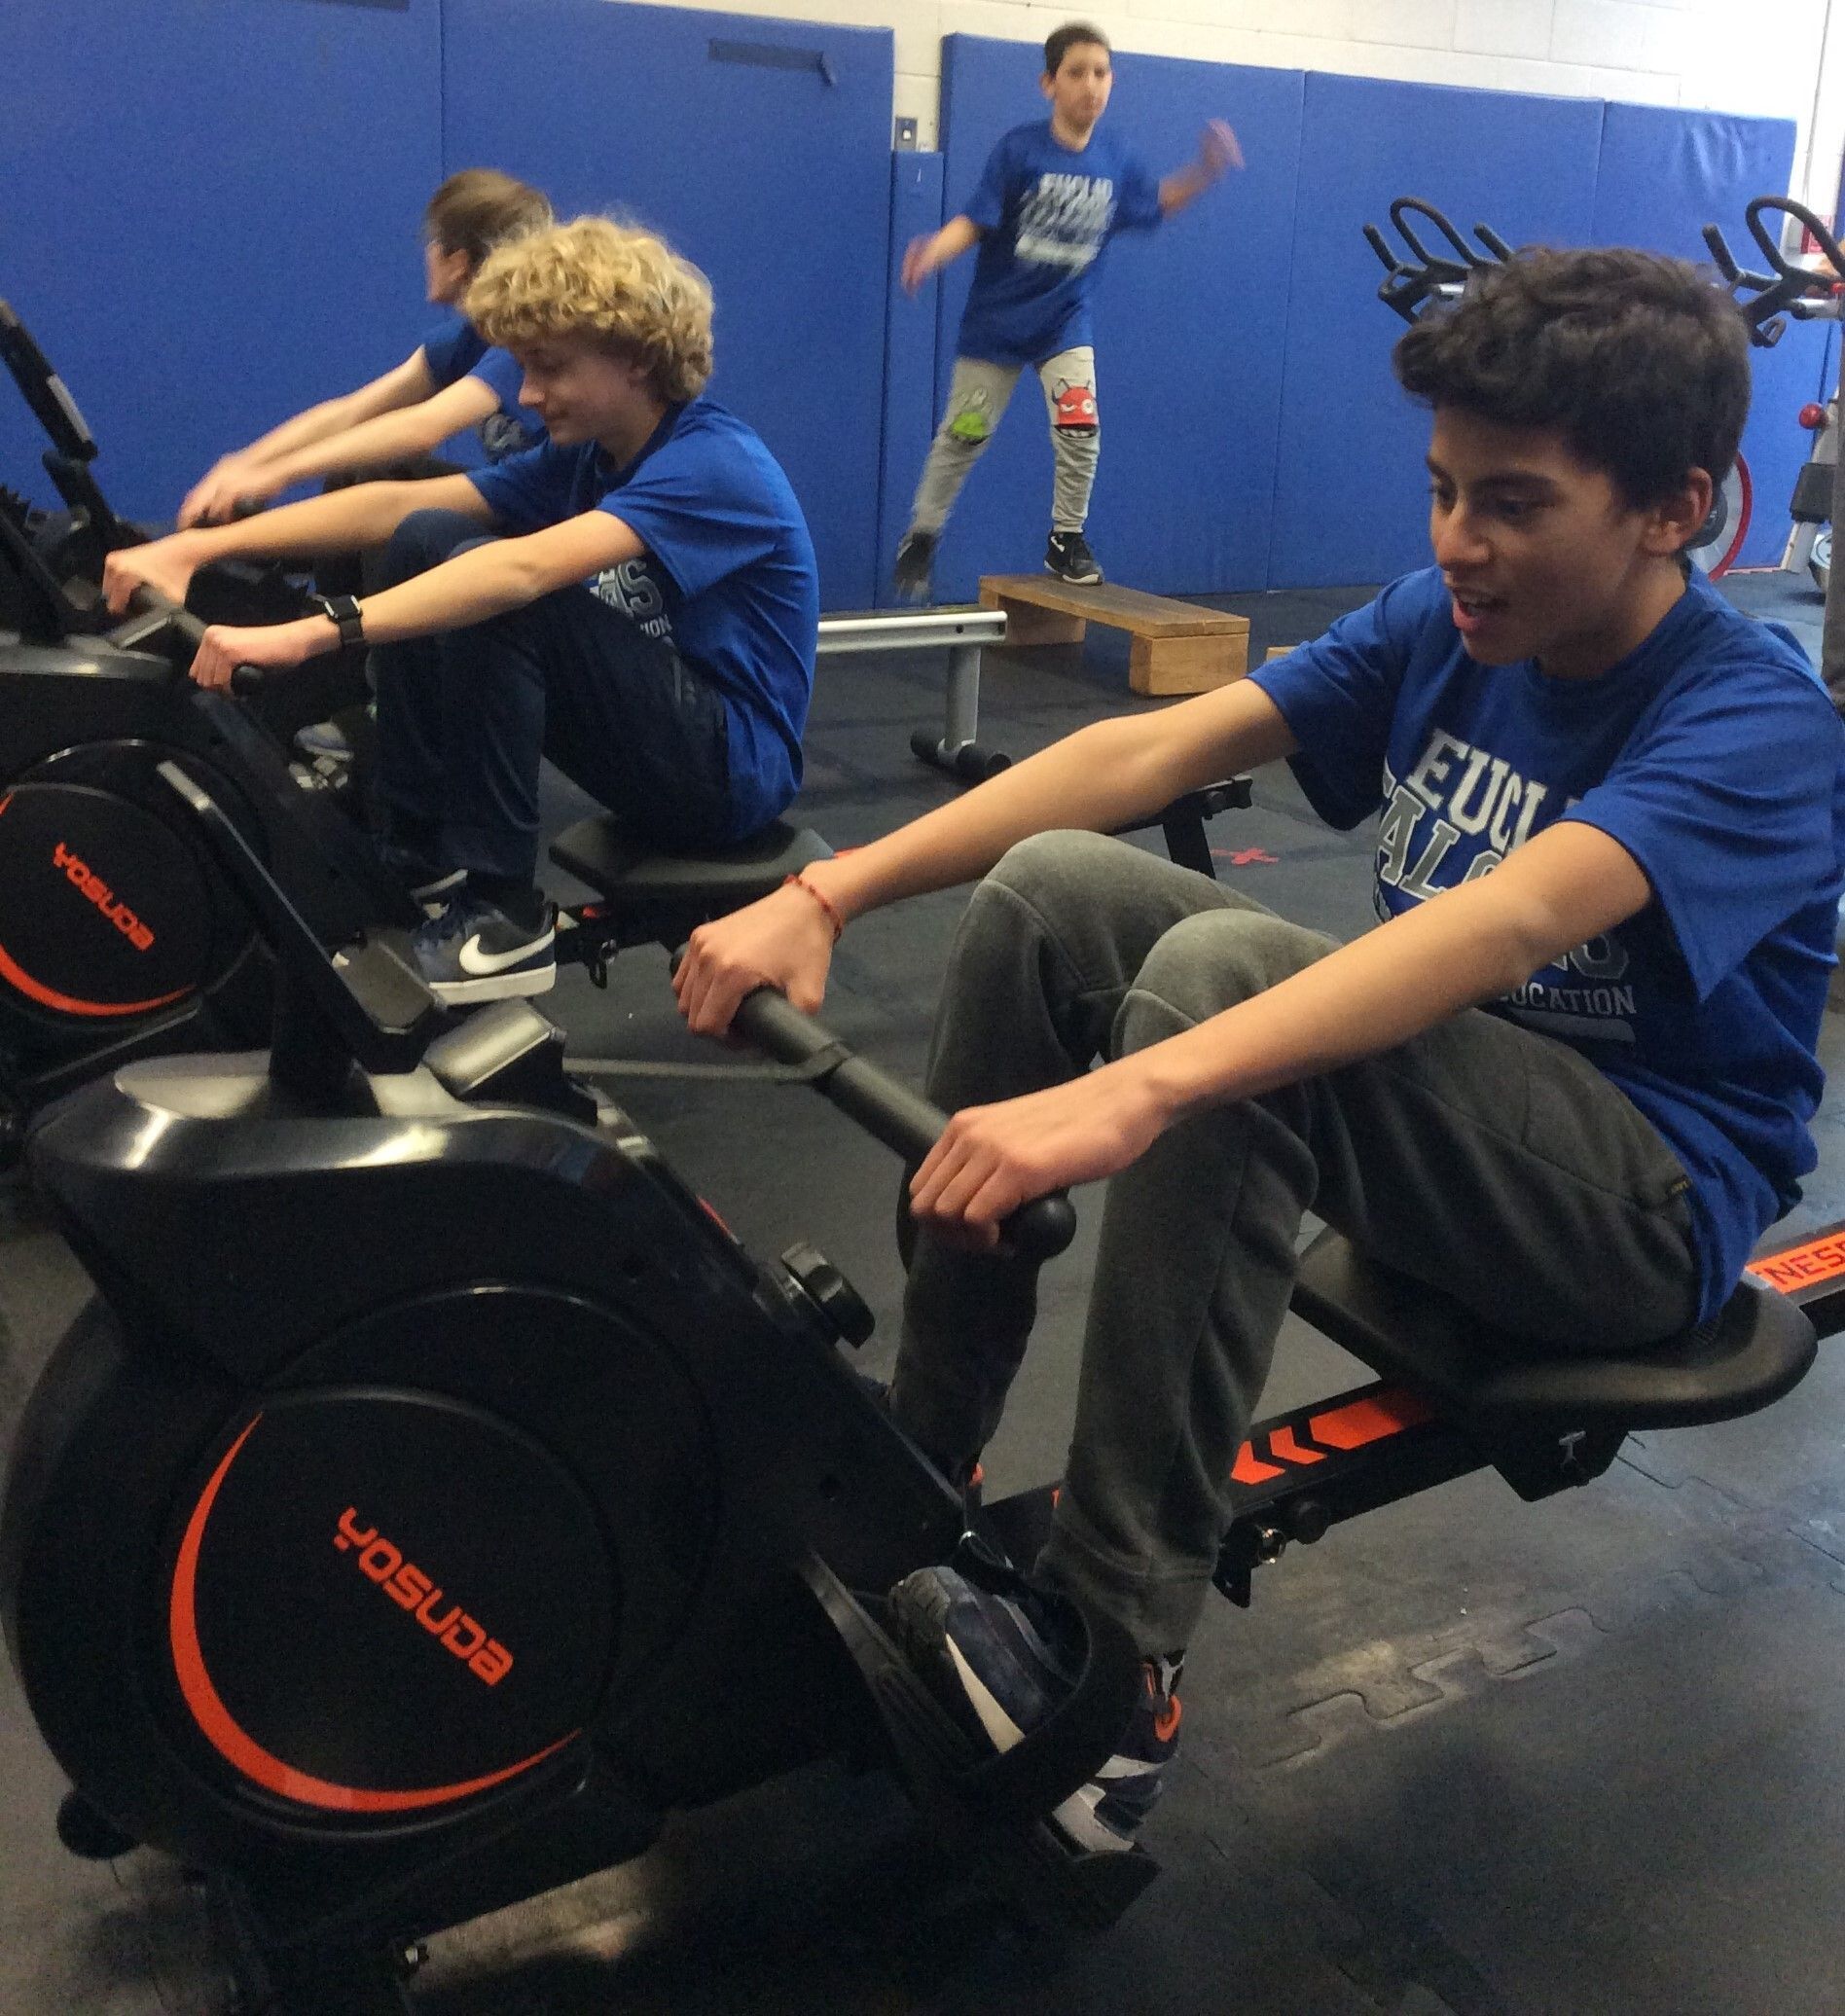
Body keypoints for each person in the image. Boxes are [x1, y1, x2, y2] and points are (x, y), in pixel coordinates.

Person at [673, 246, 1845, 1856]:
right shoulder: (1449, 619)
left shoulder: (1752, 712)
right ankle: (914, 1453)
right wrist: (827, 887)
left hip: (1638, 1213)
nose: (1458, 543)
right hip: (1457, 1127)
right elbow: (1149, 745)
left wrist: (1132, 1085)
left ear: (1675, 508)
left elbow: (1506, 927)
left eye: (1510, 501)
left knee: (1227, 975)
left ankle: (1108, 1674)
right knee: (1053, 891)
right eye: (1440, 490)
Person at [103, 216, 819, 1006]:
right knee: (429, 534)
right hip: (657, 735)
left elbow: (524, 569)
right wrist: (192, 551)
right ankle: (419, 847)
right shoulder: (585, 455)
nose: (527, 395)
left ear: (638, 361)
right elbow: (395, 506)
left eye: (549, 369)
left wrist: (312, 633)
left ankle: (504, 916)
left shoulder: (714, 465)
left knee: (499, 585)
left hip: (729, 772)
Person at [891, 21, 1242, 601]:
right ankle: (923, 535)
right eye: (1076, 73)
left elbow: (1153, 203)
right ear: (1048, 84)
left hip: (1064, 322)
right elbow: (976, 221)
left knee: (1081, 427)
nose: (1091, 86)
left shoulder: (1116, 156)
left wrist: (1205, 171)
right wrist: (933, 251)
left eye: (1101, 74)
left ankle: (1066, 537)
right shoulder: (1020, 150)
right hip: (997, 327)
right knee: (964, 436)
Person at [177, 168, 555, 528]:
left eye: (431, 243)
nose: (427, 254)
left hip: (559, 516)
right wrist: (245, 462)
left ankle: (375, 599)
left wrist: (277, 473)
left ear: (456, 262)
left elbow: (422, 428)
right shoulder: (467, 339)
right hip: (521, 501)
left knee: (411, 516)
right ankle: (328, 597)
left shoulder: (521, 342)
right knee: (359, 470)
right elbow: (351, 412)